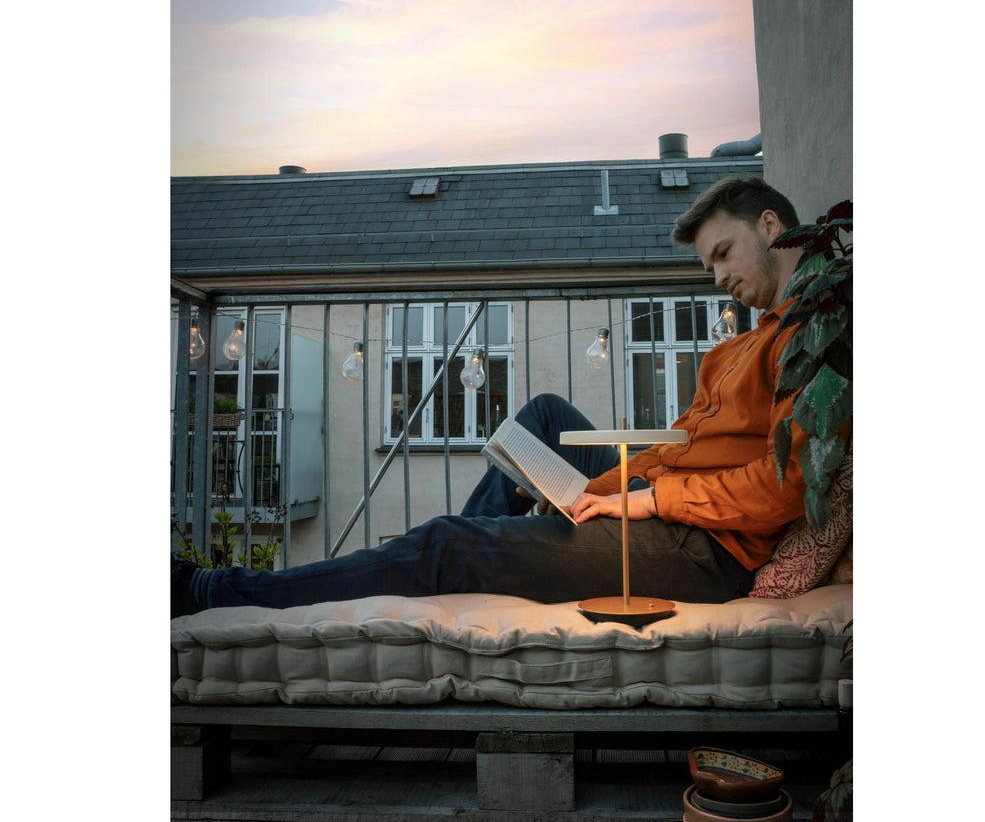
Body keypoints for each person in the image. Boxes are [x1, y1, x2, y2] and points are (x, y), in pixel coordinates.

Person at [172, 176, 811, 618]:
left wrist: (644, 501)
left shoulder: (806, 337)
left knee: (447, 544)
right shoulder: (737, 347)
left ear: (770, 226)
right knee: (543, 416)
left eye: (723, 254)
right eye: (708, 266)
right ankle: (480, 544)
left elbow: (785, 484)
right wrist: (596, 491)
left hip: (704, 546)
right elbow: (677, 449)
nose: (717, 278)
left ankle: (216, 591)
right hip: (667, 494)